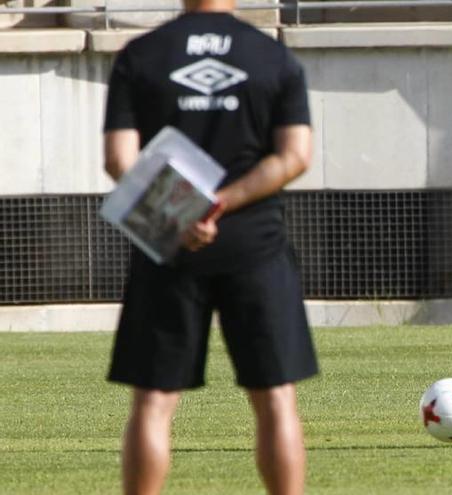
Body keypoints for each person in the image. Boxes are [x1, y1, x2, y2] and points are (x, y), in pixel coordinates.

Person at [103, 0, 318, 493]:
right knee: (276, 398)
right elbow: (296, 156)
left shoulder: (141, 55)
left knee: (154, 401)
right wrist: (221, 203)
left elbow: (119, 160)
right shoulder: (273, 57)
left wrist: (182, 215)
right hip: (255, 246)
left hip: (170, 244)